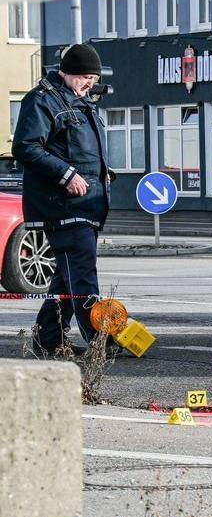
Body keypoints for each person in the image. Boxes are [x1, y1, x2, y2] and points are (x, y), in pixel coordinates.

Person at [13, 43, 113, 356]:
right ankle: (98, 340)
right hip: (63, 207)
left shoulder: (81, 102)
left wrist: (102, 173)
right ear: (66, 73)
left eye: (93, 78)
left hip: (86, 205)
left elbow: (81, 150)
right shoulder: (43, 100)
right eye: (84, 76)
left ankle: (48, 339)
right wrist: (66, 175)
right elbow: (26, 147)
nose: (89, 83)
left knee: (66, 278)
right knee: (82, 274)